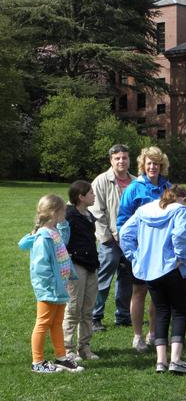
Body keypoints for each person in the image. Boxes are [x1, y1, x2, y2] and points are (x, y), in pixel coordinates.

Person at [120, 185, 186, 373]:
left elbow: (124, 233)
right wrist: (180, 257)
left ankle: (160, 361)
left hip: (150, 270)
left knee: (161, 312)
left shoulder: (144, 210)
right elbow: (180, 235)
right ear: (181, 198)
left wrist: (135, 256)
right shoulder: (180, 210)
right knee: (178, 312)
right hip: (171, 268)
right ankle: (176, 360)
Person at [18, 195, 84, 373]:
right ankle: (37, 362)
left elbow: (65, 236)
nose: (66, 213)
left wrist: (61, 223)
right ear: (55, 213)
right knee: (43, 323)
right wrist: (50, 286)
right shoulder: (43, 238)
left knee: (56, 323)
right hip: (49, 289)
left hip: (59, 287)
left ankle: (61, 357)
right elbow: (41, 268)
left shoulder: (54, 231)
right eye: (63, 210)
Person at [117, 146, 171, 352]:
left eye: (156, 163)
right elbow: (123, 222)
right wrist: (130, 250)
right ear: (143, 165)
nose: (152, 167)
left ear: (161, 165)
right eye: (149, 163)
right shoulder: (134, 188)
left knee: (158, 293)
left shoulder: (168, 188)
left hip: (161, 251)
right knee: (139, 291)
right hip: (140, 250)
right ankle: (137, 336)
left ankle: (154, 333)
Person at [90, 144, 136, 332]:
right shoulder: (101, 181)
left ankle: (123, 316)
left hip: (131, 240)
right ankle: (95, 316)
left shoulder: (136, 181)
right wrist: (107, 237)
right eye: (117, 158)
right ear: (111, 160)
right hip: (109, 241)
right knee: (103, 279)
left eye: (124, 158)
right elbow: (96, 212)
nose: (121, 161)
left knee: (127, 279)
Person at [63, 181, 100, 361]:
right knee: (73, 308)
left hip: (91, 264)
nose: (94, 195)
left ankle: (84, 347)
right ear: (81, 197)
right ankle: (67, 349)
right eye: (91, 193)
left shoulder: (88, 214)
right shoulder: (69, 215)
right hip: (76, 265)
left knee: (88, 309)